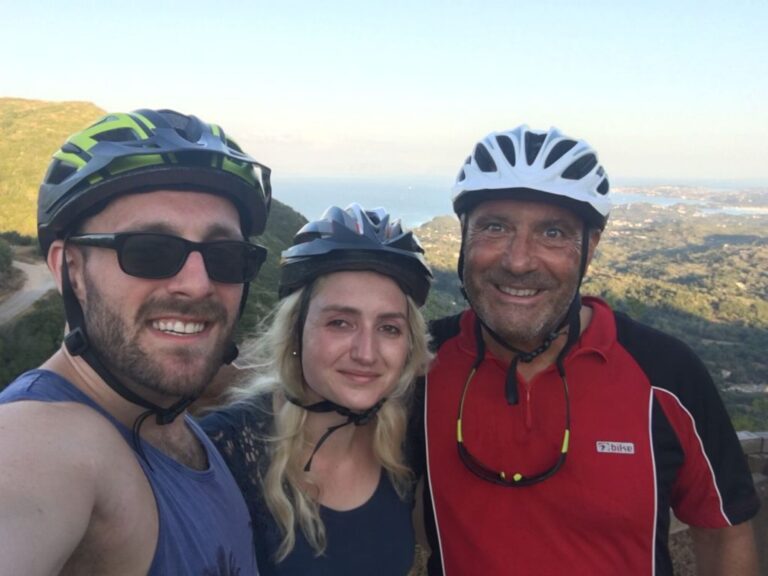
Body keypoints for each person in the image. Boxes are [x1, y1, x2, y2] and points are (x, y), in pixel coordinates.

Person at [419, 125, 761, 575]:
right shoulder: (419, 363)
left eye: (553, 233)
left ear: (590, 249)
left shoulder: (665, 373)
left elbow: (724, 531)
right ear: (464, 236)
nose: (518, 260)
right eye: (495, 227)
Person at [0, 109, 271, 575]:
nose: (197, 284)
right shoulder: (43, 441)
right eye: (149, 250)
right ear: (71, 270)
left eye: (225, 256)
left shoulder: (168, 410)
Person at [201, 203, 433, 575]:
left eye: (389, 328)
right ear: (296, 331)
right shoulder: (222, 451)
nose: (366, 353)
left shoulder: (406, 443)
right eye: (340, 322)